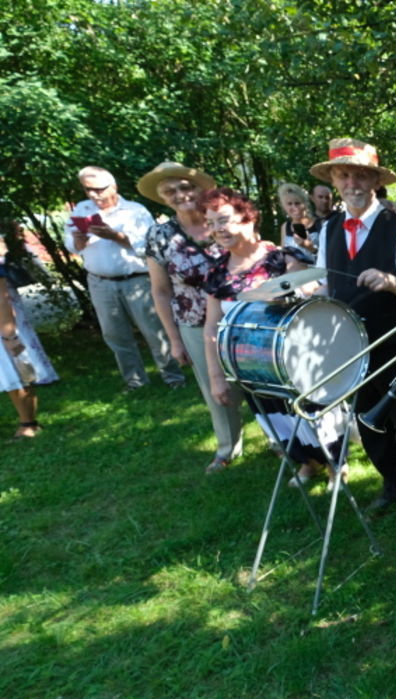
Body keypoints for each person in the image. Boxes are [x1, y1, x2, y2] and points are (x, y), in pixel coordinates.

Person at [310, 138, 396, 526]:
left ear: (374, 181)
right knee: (369, 421)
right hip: (350, 346)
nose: (352, 182)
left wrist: (393, 283)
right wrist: (299, 293)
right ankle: (395, 482)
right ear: (334, 179)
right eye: (344, 174)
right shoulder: (329, 228)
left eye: (360, 175)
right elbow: (324, 284)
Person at [200, 188, 337, 483]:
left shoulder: (280, 257)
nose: (217, 229)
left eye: (223, 219)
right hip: (249, 366)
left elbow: (310, 290)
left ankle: (335, 463)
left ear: (247, 218)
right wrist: (216, 376)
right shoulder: (217, 272)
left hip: (292, 358)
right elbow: (211, 325)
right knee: (275, 417)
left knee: (311, 410)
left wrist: (286, 294)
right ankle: (305, 462)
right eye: (211, 223)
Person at [137, 161, 240, 472]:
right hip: (194, 322)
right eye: (170, 191)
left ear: (200, 189)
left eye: (186, 187)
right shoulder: (159, 235)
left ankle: (279, 437)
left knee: (259, 378)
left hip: (240, 314)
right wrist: (174, 339)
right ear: (163, 198)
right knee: (215, 388)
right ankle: (228, 447)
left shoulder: (221, 220)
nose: (180, 194)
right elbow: (160, 291)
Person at [64, 166, 184, 391]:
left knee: (154, 330)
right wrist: (77, 241)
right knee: (115, 334)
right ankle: (135, 381)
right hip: (100, 281)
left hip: (136, 279)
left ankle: (173, 377)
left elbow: (149, 247)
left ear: (114, 187)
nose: (94, 194)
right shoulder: (81, 209)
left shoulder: (134, 211)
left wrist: (116, 237)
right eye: (88, 189)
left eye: (99, 189)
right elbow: (70, 244)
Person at [0, 258, 58, 438]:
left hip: (4, 323)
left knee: (16, 371)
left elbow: (2, 298)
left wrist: (9, 335)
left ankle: (28, 424)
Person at [277, 182, 318, 264]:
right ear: (284, 207)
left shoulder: (318, 223)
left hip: (317, 273)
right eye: (289, 204)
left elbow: (329, 256)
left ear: (305, 204)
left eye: (297, 203)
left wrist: (310, 247)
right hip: (294, 274)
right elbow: (283, 255)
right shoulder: (285, 227)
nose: (294, 208)